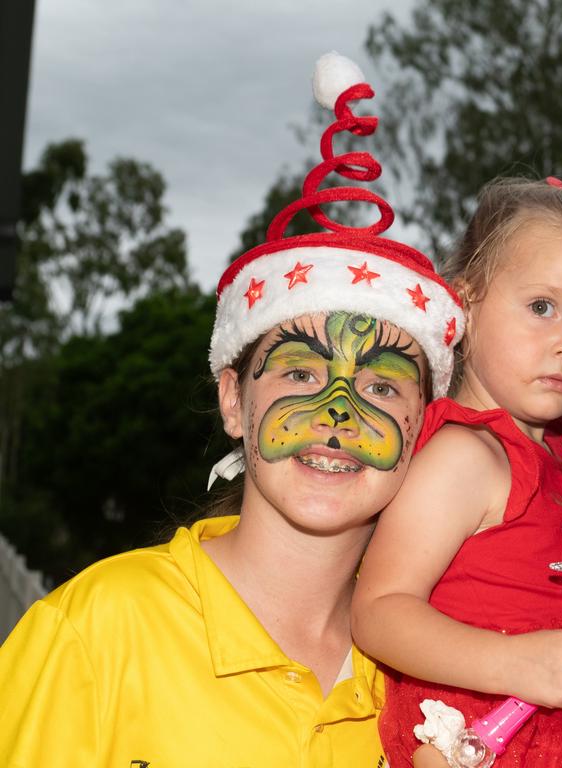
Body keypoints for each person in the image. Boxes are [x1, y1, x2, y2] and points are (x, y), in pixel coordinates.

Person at [0, 53, 464, 767]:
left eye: (380, 386)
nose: (336, 413)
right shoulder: (93, 632)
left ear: (424, 426)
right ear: (233, 400)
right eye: (302, 372)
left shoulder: (434, 686)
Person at [351, 177, 562, 767]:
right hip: (489, 732)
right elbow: (379, 611)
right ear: (465, 301)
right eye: (542, 307)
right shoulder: (465, 455)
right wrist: (510, 663)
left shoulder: (560, 455)